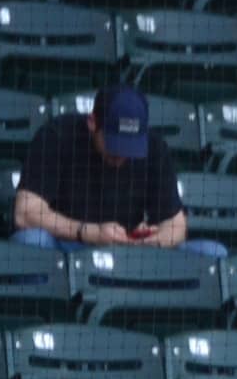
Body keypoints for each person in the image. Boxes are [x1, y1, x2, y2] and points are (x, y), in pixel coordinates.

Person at [12, 85, 226, 261]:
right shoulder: (57, 136)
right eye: (114, 144)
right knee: (32, 242)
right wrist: (89, 232)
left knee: (213, 253)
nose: (121, 155)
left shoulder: (155, 148)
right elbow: (25, 213)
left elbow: (176, 226)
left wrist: (154, 240)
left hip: (129, 255)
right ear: (92, 122)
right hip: (69, 250)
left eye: (130, 147)